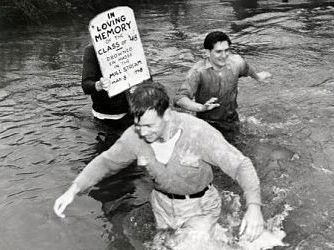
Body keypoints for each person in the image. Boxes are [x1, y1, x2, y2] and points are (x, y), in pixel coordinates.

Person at [54, 82, 264, 248]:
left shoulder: (199, 133)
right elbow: (106, 162)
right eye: (138, 125)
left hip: (200, 207)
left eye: (149, 126)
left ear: (168, 114)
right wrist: (74, 189)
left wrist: (254, 207)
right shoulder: (136, 135)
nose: (143, 132)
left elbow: (241, 166)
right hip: (162, 206)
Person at [174, 31, 272, 143]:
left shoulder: (236, 62)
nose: (224, 55)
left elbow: (247, 69)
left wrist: (258, 77)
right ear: (207, 52)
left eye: (227, 50)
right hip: (208, 123)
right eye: (218, 52)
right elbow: (180, 98)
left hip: (231, 119)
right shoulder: (198, 72)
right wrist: (201, 107)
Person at [82, 44, 133, 147]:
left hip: (131, 114)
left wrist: (142, 86)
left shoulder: (130, 43)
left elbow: (146, 77)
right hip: (104, 119)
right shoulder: (91, 50)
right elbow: (86, 86)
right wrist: (99, 85)